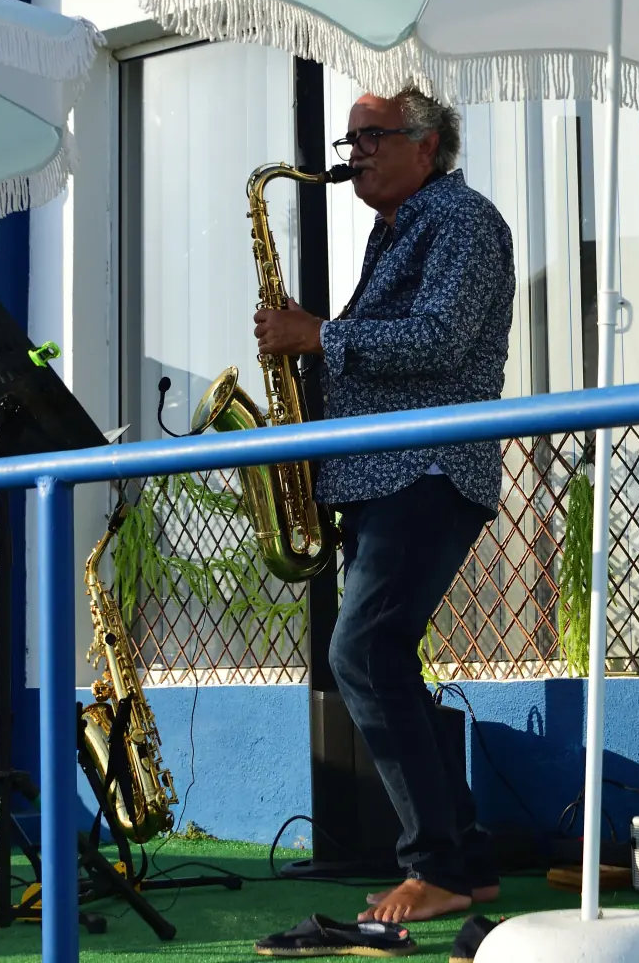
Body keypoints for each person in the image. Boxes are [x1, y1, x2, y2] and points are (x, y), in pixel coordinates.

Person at [252, 86, 517, 925]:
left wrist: (320, 336)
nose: (355, 150)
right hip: (379, 475)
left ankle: (431, 865)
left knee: (361, 653)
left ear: (428, 146)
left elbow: (442, 339)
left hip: (429, 470)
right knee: (385, 657)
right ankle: (467, 863)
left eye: (374, 136)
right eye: (352, 137)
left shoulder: (464, 221)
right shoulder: (394, 229)